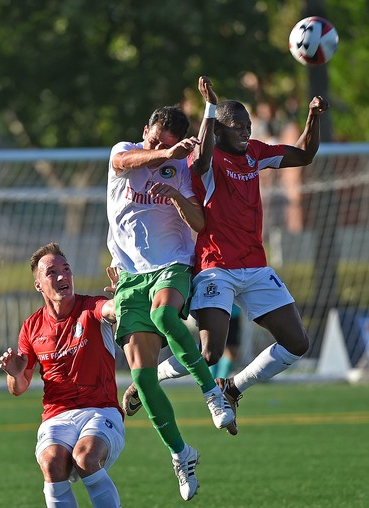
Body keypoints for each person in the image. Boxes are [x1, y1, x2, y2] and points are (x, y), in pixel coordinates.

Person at [122, 77, 329, 436]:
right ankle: (148, 379)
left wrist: (312, 116)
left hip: (256, 265)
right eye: (239, 128)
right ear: (219, 129)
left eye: (249, 127)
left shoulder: (256, 153)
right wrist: (210, 110)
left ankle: (233, 388)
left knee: (298, 344)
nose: (247, 133)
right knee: (209, 354)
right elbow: (199, 165)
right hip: (215, 267)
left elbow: (305, 155)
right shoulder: (206, 155)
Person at [106, 94, 235, 501]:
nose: (157, 147)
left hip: (173, 267)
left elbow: (200, 221)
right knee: (143, 380)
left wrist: (176, 193)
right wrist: (158, 153)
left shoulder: (178, 168)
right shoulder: (125, 152)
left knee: (166, 316)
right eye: (154, 138)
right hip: (130, 278)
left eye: (166, 142)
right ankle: (182, 453)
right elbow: (124, 164)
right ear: (145, 132)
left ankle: (212, 392)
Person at [0, 243, 125, 508]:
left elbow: (110, 309)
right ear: (39, 285)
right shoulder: (31, 326)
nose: (62, 277)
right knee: (51, 463)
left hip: (101, 410)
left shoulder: (90, 308)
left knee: (86, 458)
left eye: (66, 270)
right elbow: (18, 387)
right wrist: (15, 373)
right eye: (52, 272)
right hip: (57, 414)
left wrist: (120, 298)